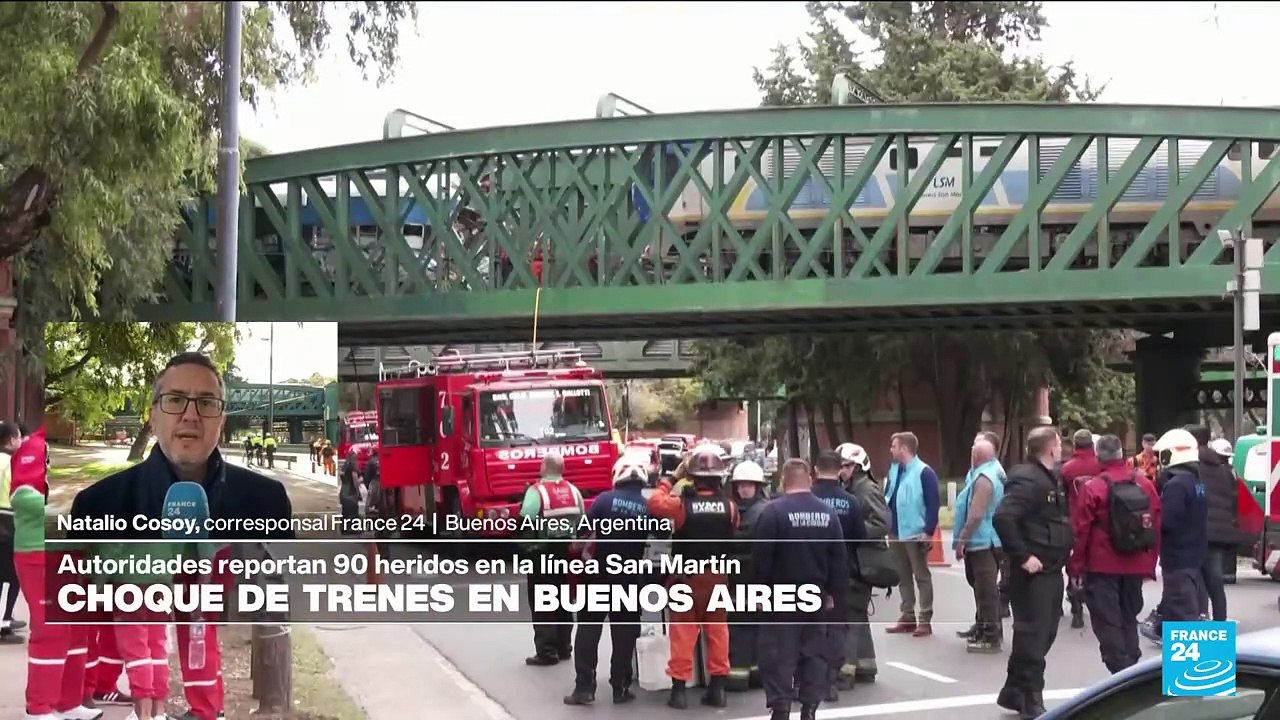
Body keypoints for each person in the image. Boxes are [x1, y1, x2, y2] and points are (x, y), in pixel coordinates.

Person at [69, 351, 295, 720]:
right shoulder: (97, 504)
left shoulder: (266, 501)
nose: (190, 414)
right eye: (175, 400)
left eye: (206, 403)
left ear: (221, 419)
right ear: (153, 414)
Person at [12, 428, 104, 720]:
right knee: (51, 631)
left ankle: (68, 702)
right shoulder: (28, 462)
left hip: (65, 555)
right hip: (37, 555)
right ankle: (39, 708)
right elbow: (26, 501)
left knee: (76, 630)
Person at [753, 458, 849, 720]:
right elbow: (838, 561)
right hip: (815, 597)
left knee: (779, 655)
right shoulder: (828, 515)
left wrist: (758, 593)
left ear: (783, 481)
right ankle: (809, 709)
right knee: (813, 655)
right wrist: (833, 595)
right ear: (809, 480)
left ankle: (781, 709)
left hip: (780, 598)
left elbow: (762, 559)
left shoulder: (773, 512)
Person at [647, 444, 739, 709]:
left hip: (686, 580)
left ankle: (678, 693)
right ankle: (718, 690)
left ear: (693, 477)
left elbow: (654, 503)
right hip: (718, 579)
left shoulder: (681, 505)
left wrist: (672, 479)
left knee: (683, 635)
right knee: (718, 634)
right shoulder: (730, 507)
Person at [992, 427, 1071, 720]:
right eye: (1059, 444)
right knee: (1033, 636)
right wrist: (1023, 556)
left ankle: (1014, 690)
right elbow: (1004, 517)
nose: (1062, 448)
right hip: (1033, 575)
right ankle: (1030, 698)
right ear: (1051, 448)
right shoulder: (1028, 478)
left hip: (1051, 569)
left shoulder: (1052, 477)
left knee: (1045, 632)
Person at [563, 458, 653, 706]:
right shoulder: (648, 507)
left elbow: (581, 535)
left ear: (618, 476)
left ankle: (584, 688)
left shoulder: (603, 500)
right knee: (625, 633)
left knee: (589, 629)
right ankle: (620, 688)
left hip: (598, 575)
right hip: (630, 579)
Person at [1067, 434, 1159, 674]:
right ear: (1122, 455)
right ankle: (1131, 666)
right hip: (1135, 565)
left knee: (1108, 623)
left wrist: (1075, 568)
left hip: (1102, 566)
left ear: (1099, 457)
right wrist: (1149, 563)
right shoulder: (1145, 485)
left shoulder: (1093, 488)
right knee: (1129, 618)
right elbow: (1155, 525)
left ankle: (1120, 672)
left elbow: (1081, 531)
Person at [809, 451, 866, 702]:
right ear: (839, 469)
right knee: (836, 628)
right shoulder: (850, 501)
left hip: (809, 570)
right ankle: (831, 680)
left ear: (815, 470)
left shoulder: (808, 500)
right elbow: (860, 538)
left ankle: (811, 679)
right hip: (840, 573)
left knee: (809, 627)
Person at [518, 452, 583, 667]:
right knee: (564, 600)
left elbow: (525, 519)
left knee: (543, 601)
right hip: (567, 554)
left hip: (542, 554)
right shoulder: (574, 491)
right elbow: (582, 522)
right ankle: (564, 647)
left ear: (545, 467)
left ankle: (547, 652)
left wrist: (524, 547)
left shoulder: (536, 492)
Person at [834, 442, 888, 687]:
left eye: (845, 466)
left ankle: (847, 670)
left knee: (852, 614)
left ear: (858, 467)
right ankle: (866, 665)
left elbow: (882, 523)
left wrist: (853, 531)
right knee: (858, 613)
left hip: (862, 559)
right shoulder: (852, 488)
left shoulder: (866, 490)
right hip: (857, 558)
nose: (841, 471)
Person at [1151, 428, 1208, 633]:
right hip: (1194, 556)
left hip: (1177, 558)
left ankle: (1192, 664)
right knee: (1188, 610)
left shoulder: (1176, 485)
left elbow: (1168, 521)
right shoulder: (1196, 482)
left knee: (1182, 619)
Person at [884, 432, 940, 637]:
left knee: (921, 575)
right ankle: (907, 615)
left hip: (915, 533)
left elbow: (933, 503)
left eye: (893, 446)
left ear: (904, 449)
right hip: (895, 531)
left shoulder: (924, 472)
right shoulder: (895, 470)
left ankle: (925, 619)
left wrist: (928, 531)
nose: (891, 450)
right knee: (902, 575)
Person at [953, 435, 1006, 654]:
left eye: (973, 450)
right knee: (983, 590)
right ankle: (985, 630)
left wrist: (961, 540)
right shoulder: (986, 472)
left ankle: (991, 637)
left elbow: (976, 515)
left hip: (984, 541)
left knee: (986, 591)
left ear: (977, 456)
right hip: (985, 540)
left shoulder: (985, 478)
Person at [725, 459, 770, 692]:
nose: (744, 489)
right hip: (737, 579)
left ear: (758, 486)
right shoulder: (733, 508)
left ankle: (741, 676)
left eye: (749, 485)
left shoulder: (761, 511)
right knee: (744, 626)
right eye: (740, 485)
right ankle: (747, 675)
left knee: (745, 627)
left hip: (752, 578)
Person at [1196, 432, 1242, 620]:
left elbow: (1198, 494)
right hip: (1219, 532)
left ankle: (1201, 616)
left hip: (1199, 530)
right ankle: (1220, 621)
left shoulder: (1197, 470)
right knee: (1215, 580)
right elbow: (1233, 499)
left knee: (1198, 578)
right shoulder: (1226, 472)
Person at [1060, 429, 1102, 629]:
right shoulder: (1100, 466)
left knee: (1075, 563)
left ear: (1075, 446)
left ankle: (1076, 608)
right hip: (1099, 520)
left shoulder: (1067, 469)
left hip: (1074, 520)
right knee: (1094, 563)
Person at [1, 420, 27, 645]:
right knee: (10, 579)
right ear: (11, 441)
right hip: (6, 525)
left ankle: (5, 618)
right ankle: (4, 624)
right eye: (19, 437)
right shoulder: (10, 464)